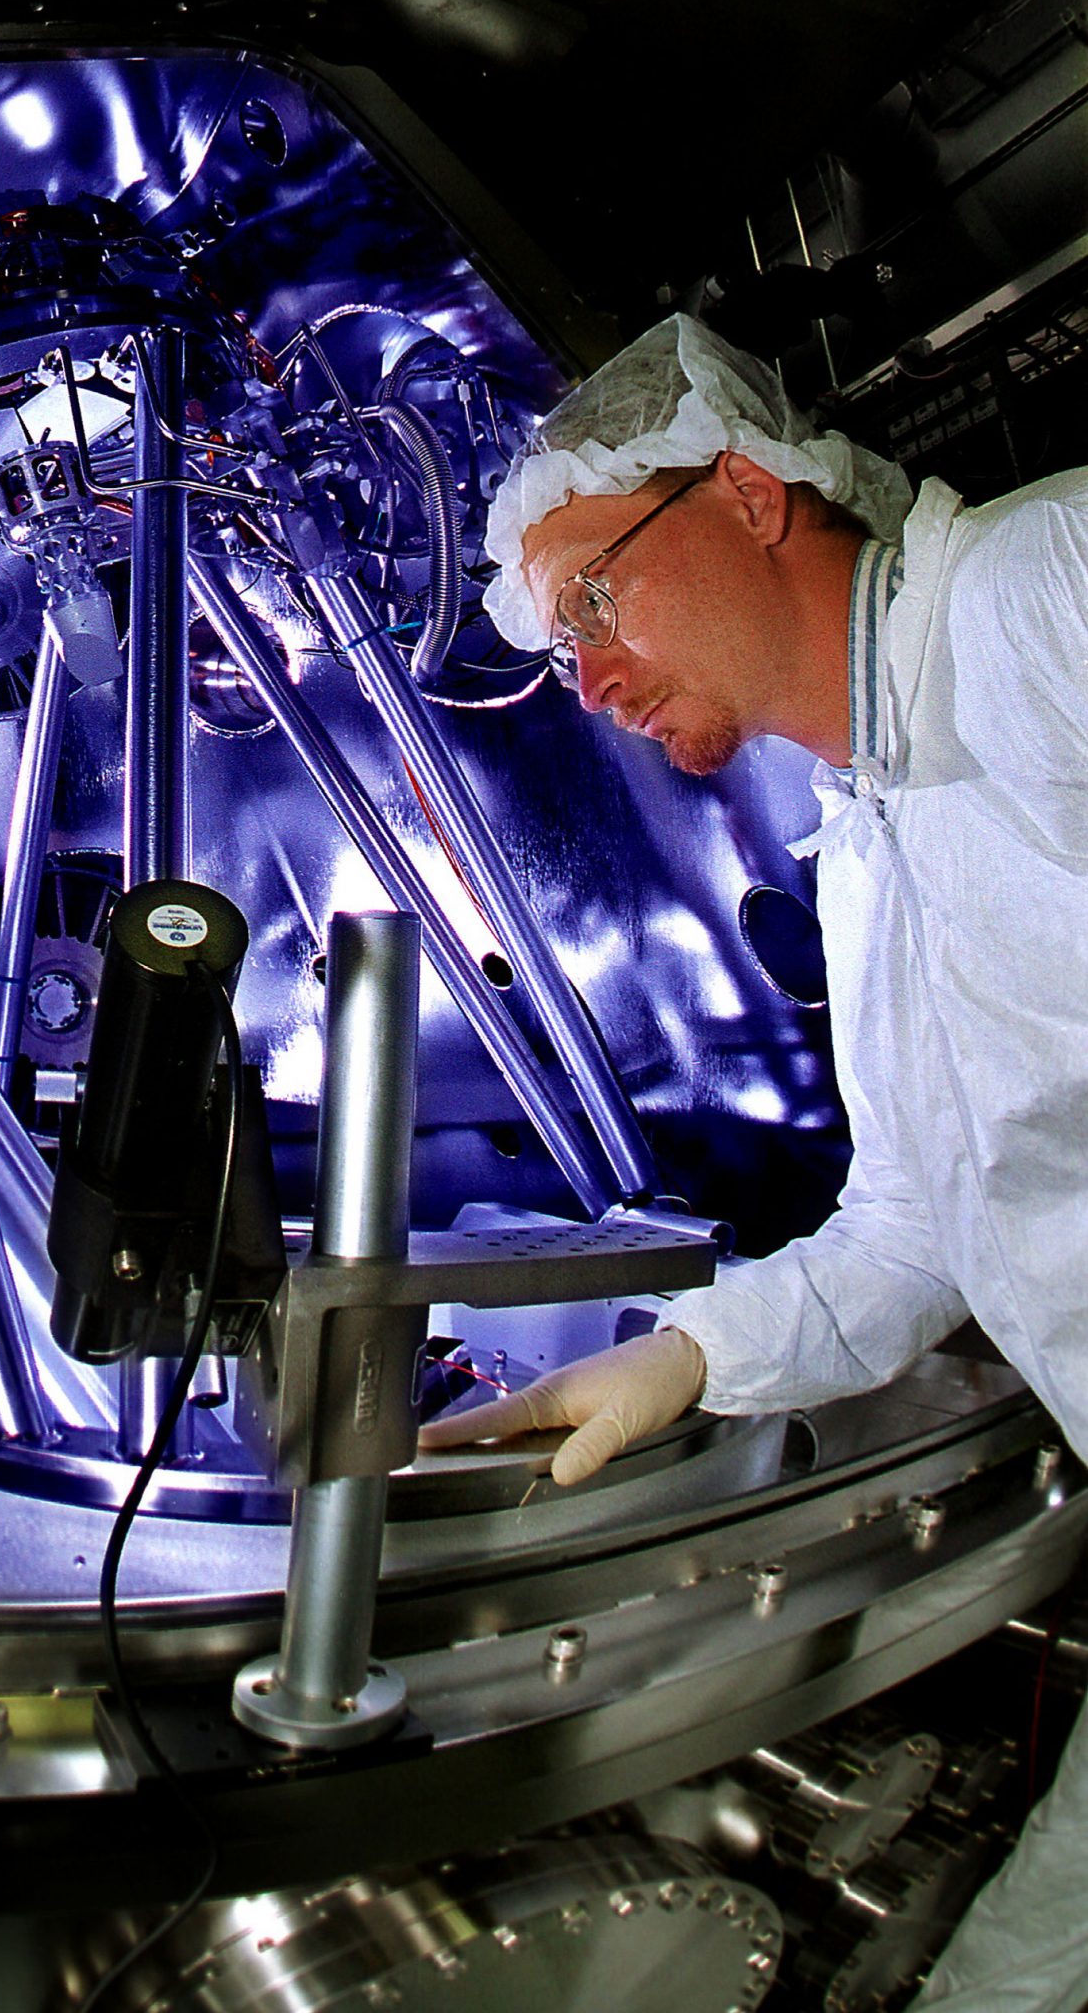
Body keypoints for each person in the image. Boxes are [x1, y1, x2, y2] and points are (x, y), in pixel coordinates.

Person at [417, 313, 1088, 2013]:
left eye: (589, 602)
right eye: (550, 643)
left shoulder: (1042, 588)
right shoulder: (864, 847)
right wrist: (676, 1359)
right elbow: (922, 1224)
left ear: (747, 489)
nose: (584, 675)